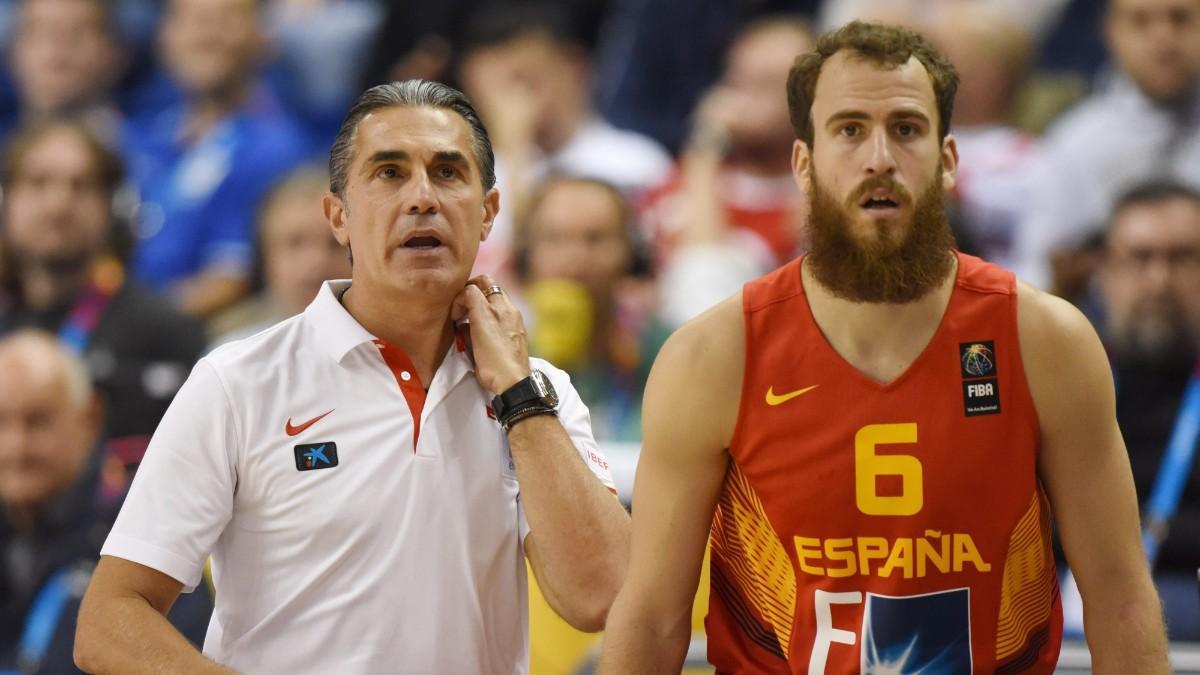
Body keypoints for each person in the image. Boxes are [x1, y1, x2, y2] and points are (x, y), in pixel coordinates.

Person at [599, 21, 1168, 674]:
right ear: (804, 166)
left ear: (948, 160)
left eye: (906, 128)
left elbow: (1121, 600)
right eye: (848, 130)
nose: (879, 157)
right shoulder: (713, 356)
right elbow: (651, 617)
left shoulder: (1046, 343)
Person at [74, 79, 630, 673]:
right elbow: (109, 619)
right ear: (338, 216)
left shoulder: (539, 394)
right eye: (389, 173)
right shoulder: (237, 382)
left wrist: (518, 396)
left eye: (448, 172)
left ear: (488, 212)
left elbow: (600, 595)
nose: (422, 197)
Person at [0, 120, 208, 487]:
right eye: (38, 183)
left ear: (111, 208)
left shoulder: (165, 329)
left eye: (81, 186)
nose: (58, 203)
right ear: (8, 200)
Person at [0, 329, 211, 673]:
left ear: (91, 416)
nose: (15, 448)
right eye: (1, 422)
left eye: (37, 421)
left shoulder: (144, 527)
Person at [121, 0, 313, 317]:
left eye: (225, 20)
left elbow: (229, 283)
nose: (206, 36)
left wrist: (127, 323)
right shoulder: (142, 134)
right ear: (163, 37)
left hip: (208, 338)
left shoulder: (276, 149)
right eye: (191, 20)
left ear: (263, 37)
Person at [1012, 0, 1200, 289]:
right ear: (1112, 32)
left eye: (1180, 19)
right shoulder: (1074, 144)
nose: (1163, 37)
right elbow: (1034, 270)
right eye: (1141, 21)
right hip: (1108, 326)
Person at [1094, 181, 1200, 640]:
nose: (1159, 281)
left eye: (1181, 258)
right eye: (1139, 258)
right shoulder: (1062, 383)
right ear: (1105, 273)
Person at [516, 175, 667, 442]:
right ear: (527, 256)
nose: (576, 258)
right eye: (555, 239)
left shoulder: (665, 351)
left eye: (596, 239)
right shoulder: (499, 354)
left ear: (631, 255)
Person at [208, 164, 353, 343]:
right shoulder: (229, 353)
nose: (317, 260)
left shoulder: (392, 345)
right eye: (295, 243)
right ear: (266, 256)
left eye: (334, 244)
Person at [3, 0, 125, 142]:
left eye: (79, 32)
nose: (60, 46)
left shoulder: (141, 151)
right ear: (12, 51)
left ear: (114, 52)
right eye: (43, 31)